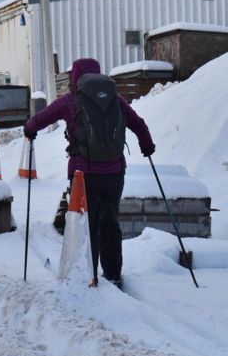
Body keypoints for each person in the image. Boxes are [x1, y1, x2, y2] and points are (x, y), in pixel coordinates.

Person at [23, 58, 155, 288]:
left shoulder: (69, 101)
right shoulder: (117, 100)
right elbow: (139, 124)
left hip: (82, 176)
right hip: (115, 172)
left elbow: (38, 121)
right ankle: (113, 274)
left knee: (88, 225)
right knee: (110, 222)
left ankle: (90, 274)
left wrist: (29, 129)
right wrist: (147, 146)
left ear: (75, 77)